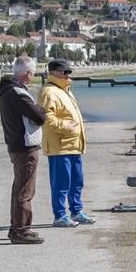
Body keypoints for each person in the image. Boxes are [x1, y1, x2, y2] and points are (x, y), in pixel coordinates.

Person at [0, 56, 47, 245]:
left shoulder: (7, 91)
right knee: (25, 190)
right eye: (32, 73)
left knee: (19, 188)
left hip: (15, 145)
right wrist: (41, 110)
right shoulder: (18, 93)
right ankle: (21, 230)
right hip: (25, 146)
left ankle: (17, 227)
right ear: (27, 74)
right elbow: (39, 116)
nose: (33, 76)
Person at [39, 59, 95, 227]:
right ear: (54, 73)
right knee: (61, 183)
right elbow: (46, 119)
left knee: (77, 182)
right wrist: (68, 126)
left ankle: (76, 212)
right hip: (59, 146)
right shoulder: (48, 92)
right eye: (65, 72)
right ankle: (60, 215)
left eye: (70, 72)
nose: (68, 75)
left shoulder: (65, 90)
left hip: (74, 144)